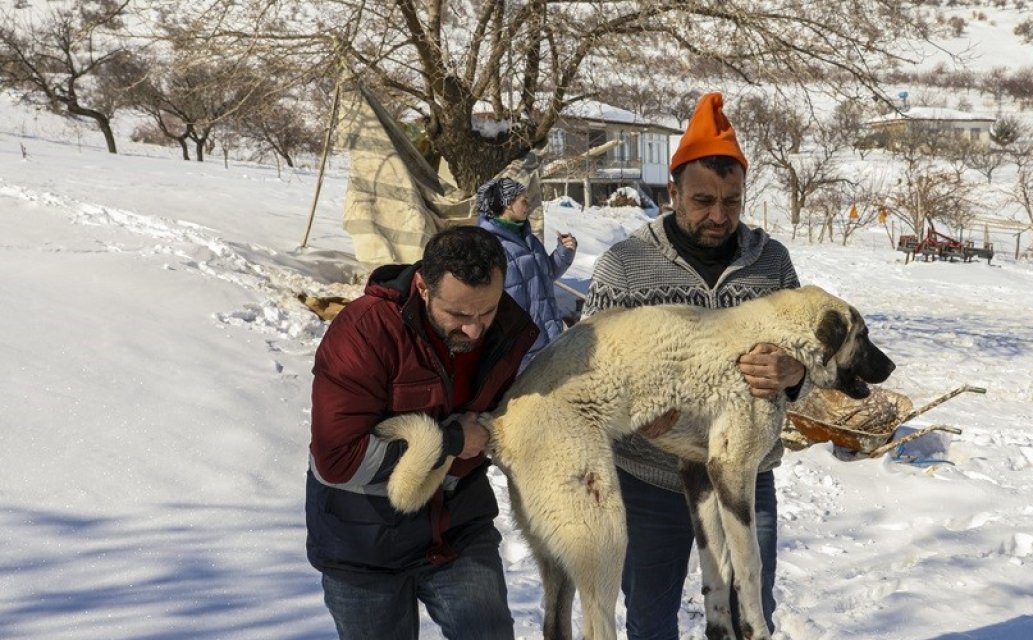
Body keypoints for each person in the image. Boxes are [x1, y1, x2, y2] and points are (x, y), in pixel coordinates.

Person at [582, 91, 807, 639]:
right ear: (672, 192)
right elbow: (589, 365)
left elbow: (807, 351)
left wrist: (793, 373)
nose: (719, 215)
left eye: (732, 201)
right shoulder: (627, 265)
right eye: (704, 200)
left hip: (745, 474)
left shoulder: (771, 262)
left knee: (751, 615)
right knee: (651, 618)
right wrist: (634, 413)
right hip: (649, 476)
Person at [306, 226, 538, 640]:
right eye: (460, 315)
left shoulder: (506, 327)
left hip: (457, 528)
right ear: (423, 288)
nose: (475, 329)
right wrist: (450, 441)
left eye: (487, 310)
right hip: (364, 543)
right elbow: (338, 459)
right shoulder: (364, 332)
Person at [476, 177, 577, 370]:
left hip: (549, 340)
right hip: (519, 353)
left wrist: (564, 252)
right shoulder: (488, 246)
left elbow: (545, 275)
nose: (528, 205)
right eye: (523, 200)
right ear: (506, 203)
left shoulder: (528, 238)